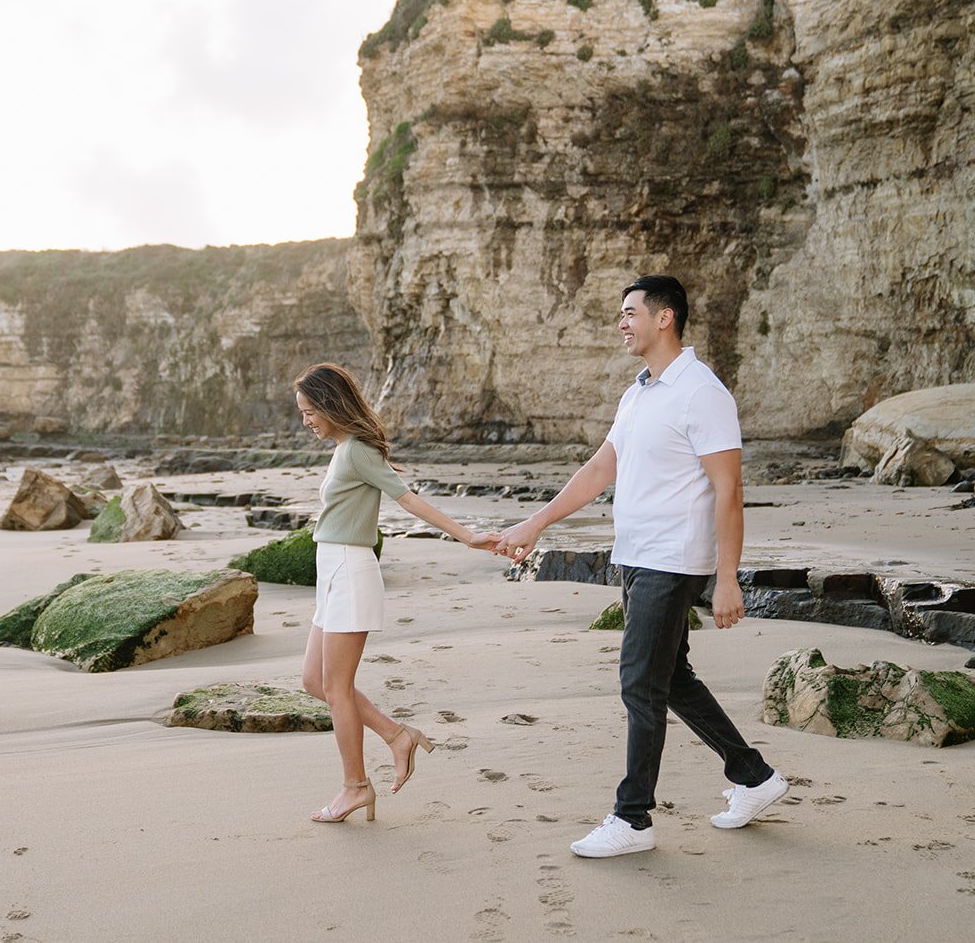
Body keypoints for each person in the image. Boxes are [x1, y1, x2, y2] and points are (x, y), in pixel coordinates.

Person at [494, 275, 787, 858]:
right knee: (669, 677)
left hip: (672, 560)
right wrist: (535, 523)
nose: (621, 323)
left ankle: (633, 819)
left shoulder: (701, 392)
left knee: (639, 684)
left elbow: (728, 489)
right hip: (636, 557)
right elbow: (599, 470)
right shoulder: (641, 393)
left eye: (630, 312)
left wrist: (727, 577)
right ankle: (754, 777)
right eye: (620, 314)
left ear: (665, 318)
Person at [292, 362, 500, 824]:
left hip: (349, 569)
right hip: (333, 571)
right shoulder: (346, 448)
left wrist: (468, 536)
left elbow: (408, 500)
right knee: (314, 680)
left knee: (336, 687)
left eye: (310, 411)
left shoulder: (358, 451)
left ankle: (355, 787)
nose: (306, 421)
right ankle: (396, 735)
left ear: (329, 404)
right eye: (302, 413)